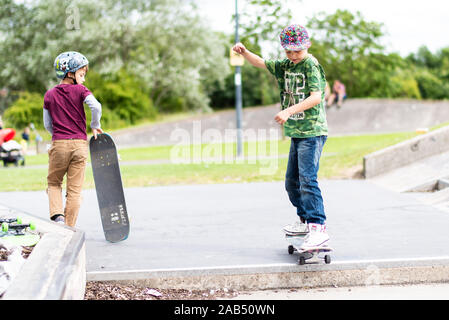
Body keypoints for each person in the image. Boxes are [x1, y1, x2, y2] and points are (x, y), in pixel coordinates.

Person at [232, 24, 329, 249]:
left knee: (307, 179)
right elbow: (261, 62)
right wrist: (244, 52)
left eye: (298, 51)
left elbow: (316, 97)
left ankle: (318, 227)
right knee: (291, 182)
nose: (293, 56)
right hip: (297, 132)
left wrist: (288, 110)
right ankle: (305, 220)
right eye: (288, 51)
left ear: (307, 46)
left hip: (312, 131)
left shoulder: (311, 65)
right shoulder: (285, 65)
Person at [43, 51, 103, 227]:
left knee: (53, 183)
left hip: (59, 144)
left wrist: (57, 136)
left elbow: (47, 124)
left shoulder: (49, 95)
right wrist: (94, 124)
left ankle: (57, 216)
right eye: (81, 74)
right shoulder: (81, 90)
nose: (83, 79)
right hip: (80, 145)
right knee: (75, 191)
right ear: (70, 73)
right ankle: (69, 228)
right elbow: (96, 106)